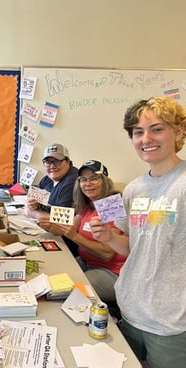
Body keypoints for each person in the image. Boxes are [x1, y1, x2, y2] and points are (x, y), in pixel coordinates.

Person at [90, 96, 186, 368]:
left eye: (157, 129)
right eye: (138, 132)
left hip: (172, 322)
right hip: (131, 309)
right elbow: (132, 247)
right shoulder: (134, 189)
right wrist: (110, 238)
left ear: (178, 132)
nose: (146, 139)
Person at [42, 160, 126, 308]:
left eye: (94, 178)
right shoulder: (87, 206)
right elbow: (67, 229)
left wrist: (75, 236)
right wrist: (48, 224)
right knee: (52, 277)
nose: (88, 184)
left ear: (105, 180)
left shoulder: (112, 205)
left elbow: (108, 254)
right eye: (83, 180)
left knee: (65, 293)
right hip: (87, 263)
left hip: (112, 272)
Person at [24, 143, 79, 256]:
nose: (52, 166)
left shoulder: (72, 181)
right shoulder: (48, 178)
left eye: (57, 161)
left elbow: (61, 223)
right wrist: (32, 207)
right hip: (47, 232)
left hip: (66, 243)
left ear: (68, 161)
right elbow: (28, 203)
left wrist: (34, 213)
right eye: (48, 162)